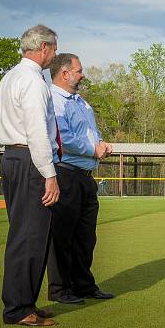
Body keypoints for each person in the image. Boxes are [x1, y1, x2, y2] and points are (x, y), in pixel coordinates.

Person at [0, 25, 60, 326]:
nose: (55, 54)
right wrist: (50, 174)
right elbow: (37, 132)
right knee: (31, 235)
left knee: (23, 234)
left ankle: (23, 302)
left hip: (12, 157)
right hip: (29, 158)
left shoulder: (10, 76)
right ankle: (19, 309)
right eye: (55, 49)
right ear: (43, 47)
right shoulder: (32, 81)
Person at [46, 53, 114, 304]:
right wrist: (93, 149)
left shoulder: (82, 103)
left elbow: (89, 134)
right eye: (79, 70)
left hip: (85, 176)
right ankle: (60, 289)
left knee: (86, 236)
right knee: (63, 236)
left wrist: (101, 145)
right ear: (64, 73)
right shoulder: (53, 99)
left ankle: (84, 285)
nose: (82, 74)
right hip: (65, 174)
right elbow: (62, 138)